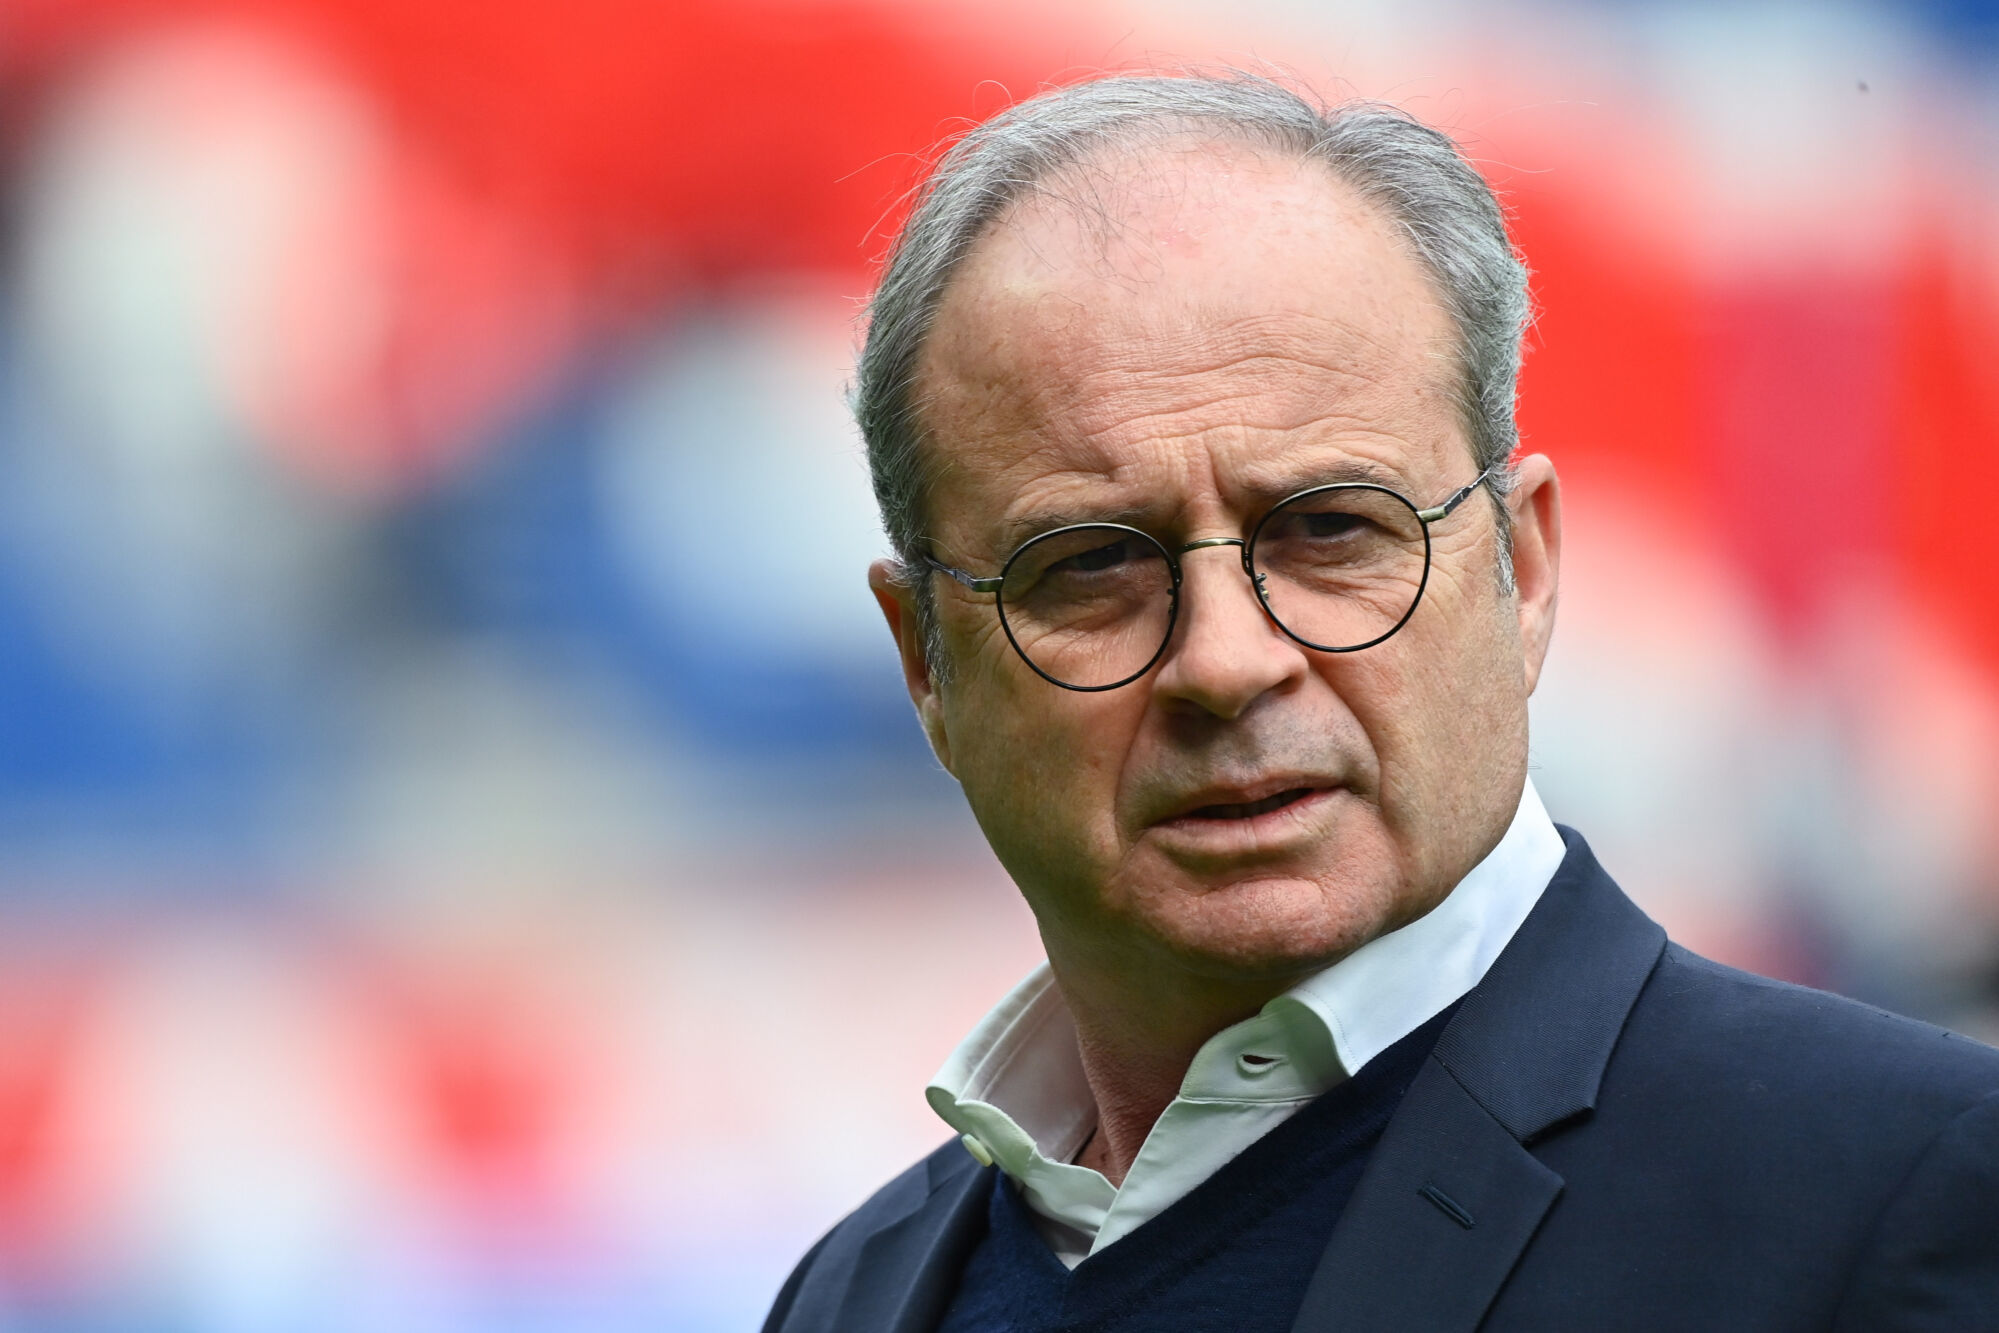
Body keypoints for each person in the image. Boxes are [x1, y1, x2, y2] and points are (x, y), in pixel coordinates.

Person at [763, 73, 1999, 1332]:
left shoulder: (1914, 1195)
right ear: (926, 662)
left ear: (1523, 570)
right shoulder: (847, 1297)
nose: (1226, 663)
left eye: (1330, 530)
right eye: (1090, 565)